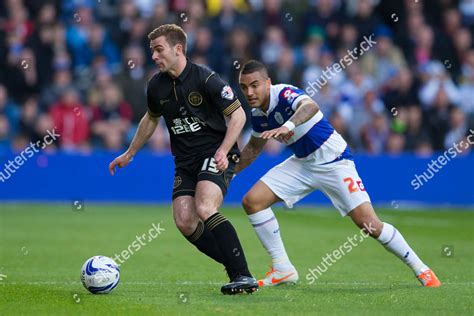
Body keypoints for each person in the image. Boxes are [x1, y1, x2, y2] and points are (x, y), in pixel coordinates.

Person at [235, 59, 441, 288]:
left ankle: (421, 269)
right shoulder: (258, 114)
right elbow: (253, 149)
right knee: (252, 202)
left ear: (268, 83)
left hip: (334, 161)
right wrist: (228, 174)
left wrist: (288, 127)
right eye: (244, 87)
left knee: (369, 224)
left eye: (254, 85)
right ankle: (283, 269)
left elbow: (310, 106)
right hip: (303, 163)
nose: (249, 92)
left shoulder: (284, 93)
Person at [109, 24, 258, 295]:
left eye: (158, 49)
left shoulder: (206, 78)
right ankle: (235, 263)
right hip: (185, 160)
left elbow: (238, 116)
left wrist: (224, 150)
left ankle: (243, 275)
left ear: (178, 49)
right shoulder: (156, 85)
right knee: (184, 220)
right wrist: (130, 153)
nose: (153, 56)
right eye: (151, 50)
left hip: (216, 152)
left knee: (204, 206)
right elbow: (151, 119)